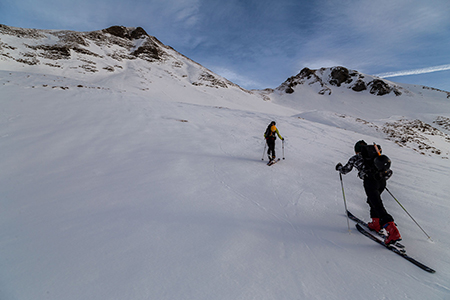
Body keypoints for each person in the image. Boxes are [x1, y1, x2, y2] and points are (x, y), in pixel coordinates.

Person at [335, 140, 402, 245]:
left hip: (370, 182)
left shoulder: (355, 158)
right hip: (381, 182)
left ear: (356, 150)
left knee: (377, 205)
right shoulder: (374, 157)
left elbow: (345, 170)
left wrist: (339, 167)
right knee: (373, 201)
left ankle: (392, 231)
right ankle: (376, 224)